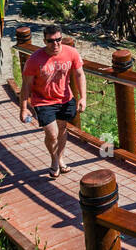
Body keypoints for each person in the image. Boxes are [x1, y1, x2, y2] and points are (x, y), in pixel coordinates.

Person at [19, 25, 87, 178]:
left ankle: (61, 159)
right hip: (43, 101)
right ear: (44, 41)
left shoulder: (71, 53)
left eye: (58, 40)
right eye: (51, 41)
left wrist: (83, 97)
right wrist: (23, 108)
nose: (55, 44)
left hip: (65, 99)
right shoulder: (34, 59)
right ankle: (54, 160)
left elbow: (79, 74)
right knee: (52, 134)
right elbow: (26, 85)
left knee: (62, 130)